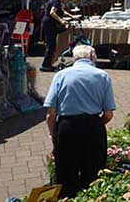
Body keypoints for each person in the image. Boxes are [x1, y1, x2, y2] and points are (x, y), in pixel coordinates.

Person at [44, 45, 116, 199]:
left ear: (74, 58)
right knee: (94, 175)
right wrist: (96, 125)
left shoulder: (60, 75)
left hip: (67, 127)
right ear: (92, 57)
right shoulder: (102, 76)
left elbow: (50, 114)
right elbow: (108, 114)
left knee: (66, 175)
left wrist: (54, 135)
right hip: (93, 126)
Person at [40, 0, 74, 72]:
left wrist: (70, 15)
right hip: (50, 24)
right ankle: (45, 65)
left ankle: (49, 63)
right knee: (51, 45)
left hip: (48, 23)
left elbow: (61, 10)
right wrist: (61, 21)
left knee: (51, 45)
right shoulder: (56, 1)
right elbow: (52, 12)